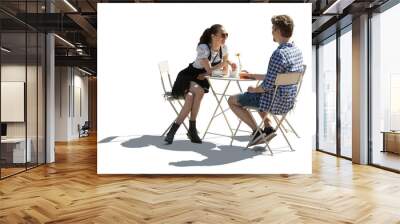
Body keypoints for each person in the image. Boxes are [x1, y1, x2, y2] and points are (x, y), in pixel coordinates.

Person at [228, 15, 303, 145]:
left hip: (273, 102)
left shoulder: (278, 54)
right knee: (261, 92)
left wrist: (254, 89)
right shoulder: (297, 52)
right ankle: (268, 127)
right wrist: (253, 75)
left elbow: (266, 86)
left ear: (278, 31)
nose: (271, 32)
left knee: (232, 100)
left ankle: (257, 131)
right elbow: (277, 78)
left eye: (273, 29)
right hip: (287, 101)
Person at [165, 24, 237, 145]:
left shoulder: (223, 49)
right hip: (187, 77)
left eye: (227, 35)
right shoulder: (203, 47)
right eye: (223, 35)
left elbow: (224, 71)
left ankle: (175, 131)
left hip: (200, 79)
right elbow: (209, 70)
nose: (225, 37)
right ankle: (191, 130)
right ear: (213, 36)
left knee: (191, 97)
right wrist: (224, 63)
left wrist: (229, 65)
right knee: (198, 92)